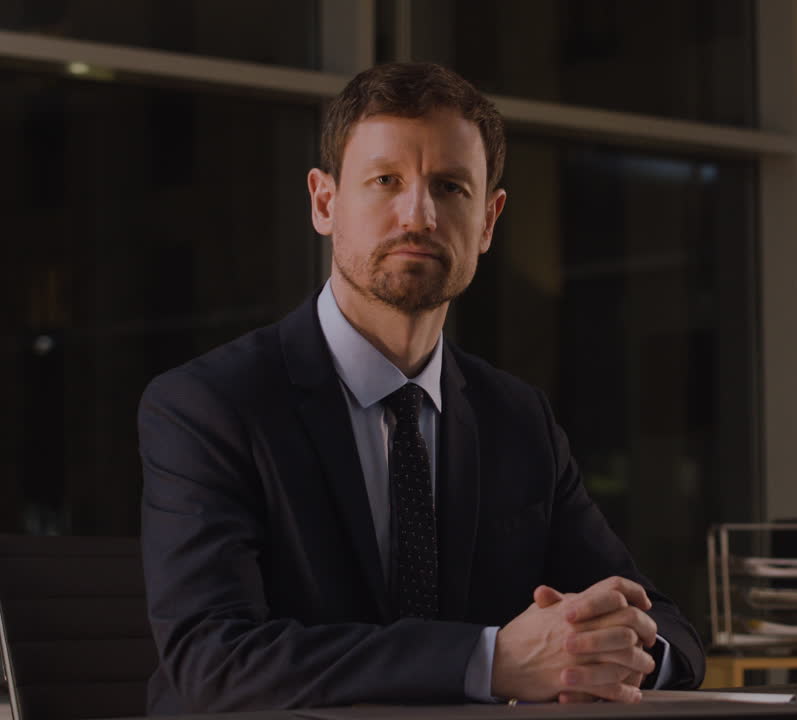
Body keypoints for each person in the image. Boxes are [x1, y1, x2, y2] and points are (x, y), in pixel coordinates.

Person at [137, 62, 704, 714]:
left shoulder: (517, 418)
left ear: (488, 220)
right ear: (325, 203)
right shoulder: (209, 405)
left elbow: (665, 626)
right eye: (386, 181)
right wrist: (492, 662)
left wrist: (622, 653)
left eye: (451, 187)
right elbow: (213, 662)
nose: (419, 214)